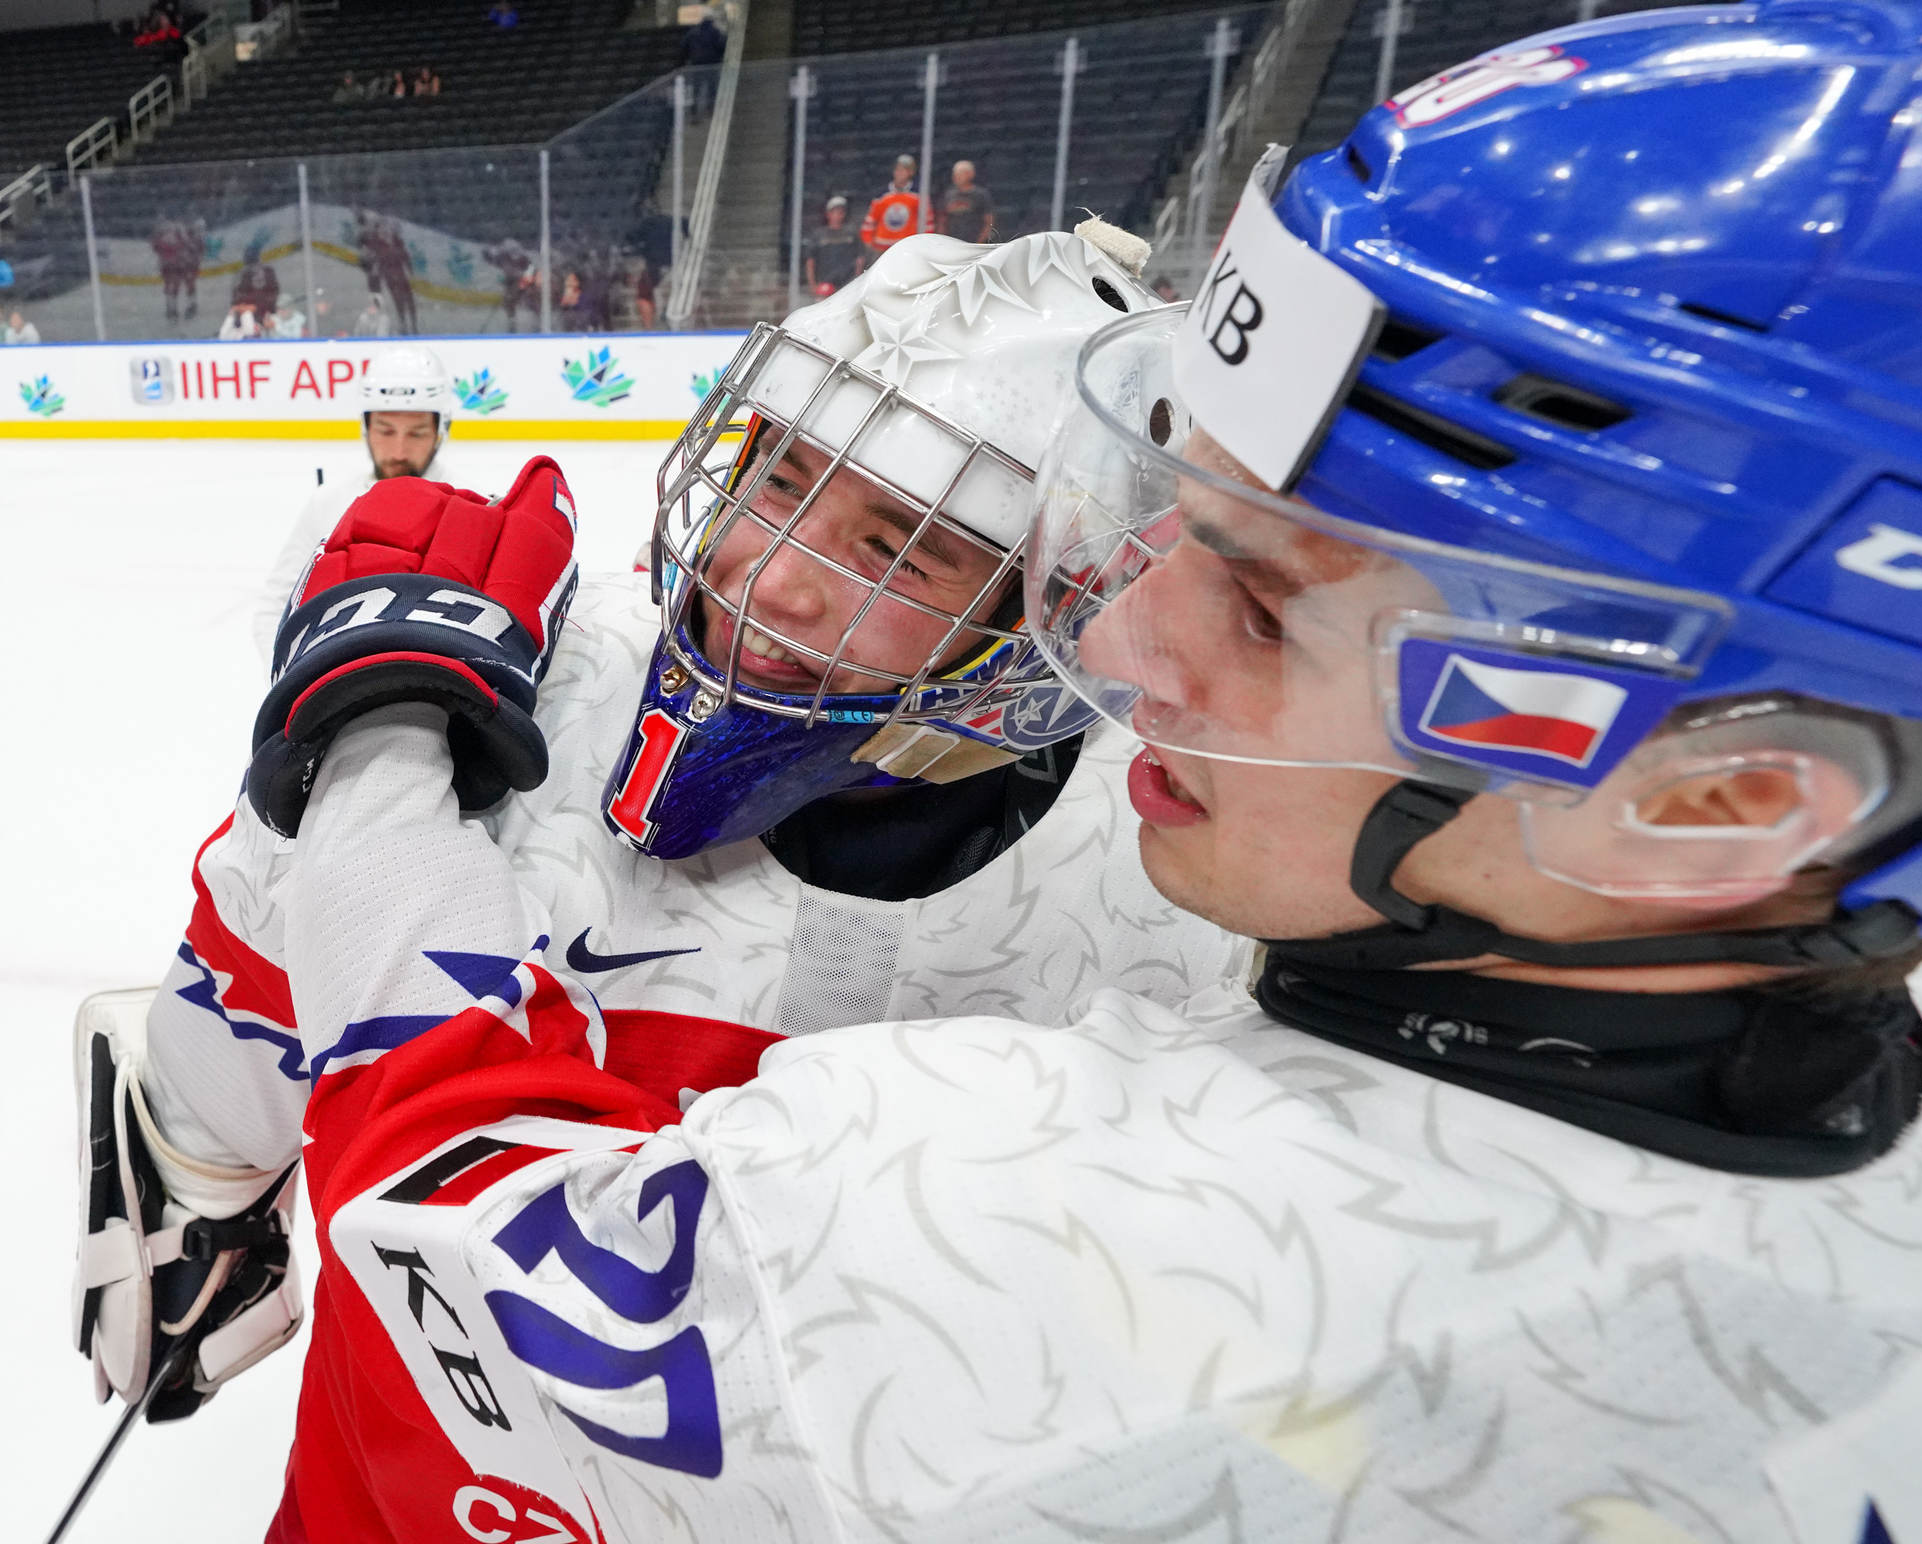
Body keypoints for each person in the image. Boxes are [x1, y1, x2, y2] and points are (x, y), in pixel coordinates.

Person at [74, 7, 1922, 1538]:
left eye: (1266, 600)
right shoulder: (1253, 842)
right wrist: (204, 1151)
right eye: (776, 473)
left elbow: (480, 1236)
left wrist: (371, 740)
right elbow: (230, 1011)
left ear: (1731, 800)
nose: (1131, 652)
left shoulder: (1045, 1102)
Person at [76, 232, 1251, 1498]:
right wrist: (337, 767)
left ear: (1060, 613)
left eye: (896, 550)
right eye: (777, 475)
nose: (769, 579)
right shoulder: (504, 690)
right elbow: (217, 1079)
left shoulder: (1180, 889)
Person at [250, 345, 460, 646]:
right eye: (386, 431)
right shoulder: (328, 502)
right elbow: (276, 607)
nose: (399, 451)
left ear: (441, 430)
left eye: (416, 433)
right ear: (366, 427)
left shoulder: (471, 508)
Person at [859, 152, 933, 259]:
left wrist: (923, 244)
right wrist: (869, 241)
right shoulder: (882, 195)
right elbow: (870, 221)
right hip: (882, 249)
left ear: (911, 172)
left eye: (904, 170)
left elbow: (927, 223)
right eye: (897, 169)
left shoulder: (919, 196)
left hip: (908, 249)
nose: (899, 173)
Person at [803, 193, 865, 291]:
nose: (838, 215)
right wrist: (813, 285)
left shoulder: (852, 233)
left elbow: (860, 258)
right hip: (825, 285)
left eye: (841, 212)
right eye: (834, 212)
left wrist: (856, 281)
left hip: (847, 285)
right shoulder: (819, 235)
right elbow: (810, 261)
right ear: (828, 214)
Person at [482, 236, 539, 333]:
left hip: (524, 280)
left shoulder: (522, 259)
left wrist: (524, 281)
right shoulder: (501, 258)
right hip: (513, 281)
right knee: (508, 301)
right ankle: (512, 322)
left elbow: (530, 270)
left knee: (529, 300)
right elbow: (497, 263)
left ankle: (537, 321)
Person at [936, 158, 995, 243]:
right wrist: (942, 240)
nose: (956, 177)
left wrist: (980, 242)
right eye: (955, 174)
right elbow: (942, 220)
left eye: (961, 174)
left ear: (971, 174)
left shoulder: (981, 195)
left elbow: (988, 221)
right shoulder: (948, 194)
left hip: (973, 241)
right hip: (952, 241)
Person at [231, 243, 279, 328]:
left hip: (262, 315)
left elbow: (274, 291)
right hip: (251, 316)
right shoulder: (243, 274)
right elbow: (236, 299)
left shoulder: (267, 271)